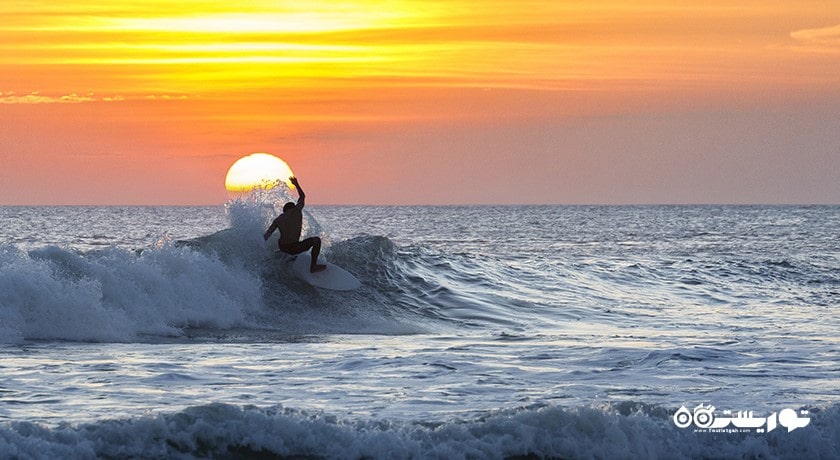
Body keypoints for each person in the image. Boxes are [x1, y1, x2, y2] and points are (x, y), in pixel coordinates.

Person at [263, 176, 327, 273]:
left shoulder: (278, 219)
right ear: (292, 207)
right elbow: (302, 196)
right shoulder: (296, 211)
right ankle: (313, 266)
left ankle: (284, 255)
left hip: (283, 247)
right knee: (317, 240)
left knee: (280, 239)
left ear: (284, 210)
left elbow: (266, 236)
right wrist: (296, 184)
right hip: (294, 248)